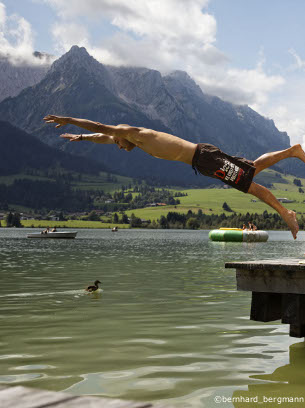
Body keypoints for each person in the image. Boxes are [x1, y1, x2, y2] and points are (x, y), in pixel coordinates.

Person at [43, 114, 305, 239]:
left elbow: (101, 127)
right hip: (202, 161)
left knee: (250, 185)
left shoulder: (132, 132)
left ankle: (286, 213)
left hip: (204, 158)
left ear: (122, 136)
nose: (119, 147)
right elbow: (102, 136)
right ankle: (293, 151)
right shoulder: (127, 137)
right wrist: (80, 138)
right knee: (252, 169)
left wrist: (69, 120)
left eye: (118, 143)